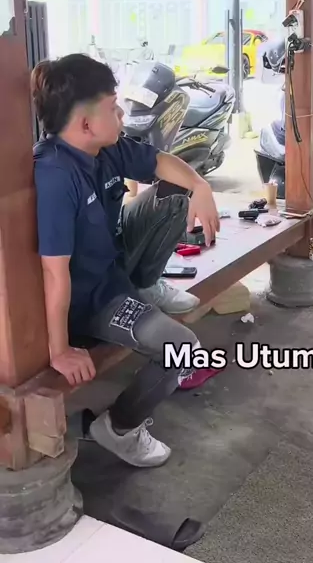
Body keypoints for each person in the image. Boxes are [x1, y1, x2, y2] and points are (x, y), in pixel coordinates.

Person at [32, 53, 221, 466]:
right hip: (91, 301)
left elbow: (159, 162)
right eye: (113, 107)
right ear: (86, 124)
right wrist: (60, 349)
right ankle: (119, 428)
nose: (121, 115)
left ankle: (148, 285)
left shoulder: (105, 149)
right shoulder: (55, 175)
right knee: (182, 349)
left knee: (175, 188)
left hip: (115, 271)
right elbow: (54, 272)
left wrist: (201, 186)